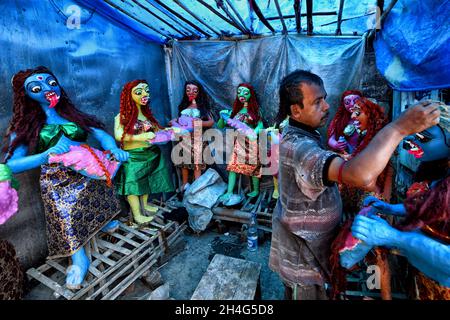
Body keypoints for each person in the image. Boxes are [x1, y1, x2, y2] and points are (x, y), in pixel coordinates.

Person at [269, 69, 441, 300]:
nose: (327, 107)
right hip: (304, 259)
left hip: (309, 244)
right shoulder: (300, 147)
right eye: (318, 102)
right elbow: (359, 175)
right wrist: (399, 128)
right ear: (296, 110)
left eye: (325, 99)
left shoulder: (306, 135)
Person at [3, 66, 129, 290]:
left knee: (101, 194)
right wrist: (44, 156)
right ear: (26, 94)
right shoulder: (26, 126)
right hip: (57, 179)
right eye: (36, 87)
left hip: (88, 168)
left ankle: (104, 222)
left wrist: (113, 149)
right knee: (65, 215)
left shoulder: (71, 114)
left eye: (51, 83)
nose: (46, 89)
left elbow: (100, 134)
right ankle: (79, 258)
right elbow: (11, 164)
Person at [351, 105, 449, 300]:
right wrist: (390, 209)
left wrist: (394, 237)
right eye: (412, 134)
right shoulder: (439, 173)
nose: (411, 141)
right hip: (424, 278)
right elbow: (430, 209)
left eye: (423, 137)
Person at [114, 80, 174, 225]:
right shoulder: (122, 116)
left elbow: (156, 130)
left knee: (147, 180)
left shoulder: (146, 116)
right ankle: (137, 214)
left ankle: (145, 205)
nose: (144, 94)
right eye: (139, 92)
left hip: (151, 154)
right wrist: (140, 137)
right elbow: (118, 135)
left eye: (146, 90)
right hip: (133, 157)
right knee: (133, 185)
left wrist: (170, 130)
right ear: (129, 95)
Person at [218, 83, 264, 204]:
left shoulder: (256, 110)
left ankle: (256, 190)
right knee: (233, 167)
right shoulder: (235, 111)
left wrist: (255, 132)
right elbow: (220, 126)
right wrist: (221, 117)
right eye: (239, 92)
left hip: (252, 142)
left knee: (253, 167)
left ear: (250, 94)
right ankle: (229, 191)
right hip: (239, 143)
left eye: (245, 92)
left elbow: (260, 124)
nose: (241, 95)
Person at [170, 80, 214, 191]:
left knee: (197, 162)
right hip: (184, 138)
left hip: (198, 138)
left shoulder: (202, 107)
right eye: (188, 90)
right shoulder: (184, 106)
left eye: (195, 90)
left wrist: (200, 123)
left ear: (199, 92)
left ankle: (198, 184)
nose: (191, 92)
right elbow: (180, 121)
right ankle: (185, 184)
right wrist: (175, 121)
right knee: (184, 161)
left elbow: (211, 122)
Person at [327, 90, 363, 155]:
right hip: (345, 153)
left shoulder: (367, 118)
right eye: (347, 102)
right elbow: (331, 138)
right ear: (343, 105)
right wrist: (336, 145)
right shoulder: (338, 120)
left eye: (356, 101)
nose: (352, 104)